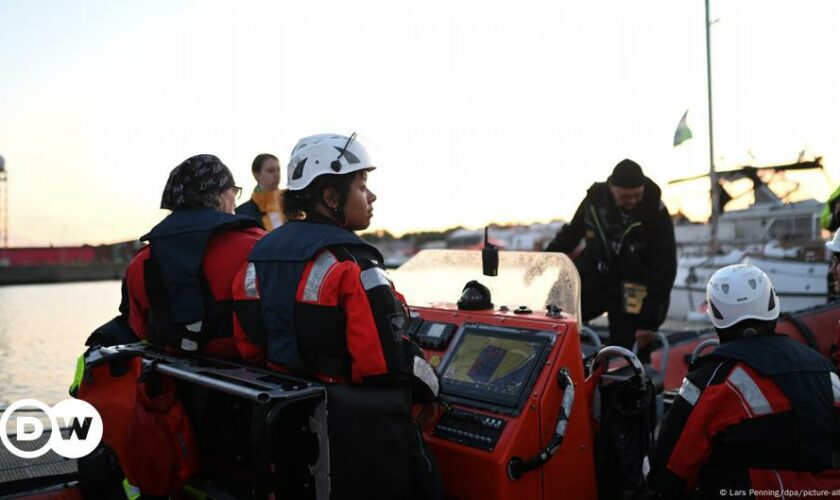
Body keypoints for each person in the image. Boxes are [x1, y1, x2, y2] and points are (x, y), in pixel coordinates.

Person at [232, 133, 442, 499]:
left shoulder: (257, 257)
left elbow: (248, 348)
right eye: (362, 186)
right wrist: (434, 386)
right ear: (331, 198)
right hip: (353, 439)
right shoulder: (352, 264)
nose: (371, 196)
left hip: (284, 435)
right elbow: (381, 365)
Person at [648, 264, 840, 499]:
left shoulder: (714, 379)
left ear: (715, 312)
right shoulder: (824, 368)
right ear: (772, 304)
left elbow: (671, 469)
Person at [121, 154, 265, 357]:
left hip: (173, 378)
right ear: (220, 196)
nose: (234, 199)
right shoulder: (257, 246)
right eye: (233, 191)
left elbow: (139, 329)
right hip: (249, 376)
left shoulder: (140, 262)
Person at [545, 159, 677, 353]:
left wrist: (648, 322)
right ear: (611, 188)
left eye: (636, 195)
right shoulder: (594, 201)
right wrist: (546, 259)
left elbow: (664, 270)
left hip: (633, 287)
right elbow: (571, 234)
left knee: (625, 346)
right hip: (596, 276)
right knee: (557, 310)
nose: (631, 201)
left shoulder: (656, 211)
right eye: (625, 196)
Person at [235, 153, 285, 230]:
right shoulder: (242, 214)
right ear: (256, 175)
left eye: (278, 170)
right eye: (270, 171)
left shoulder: (292, 204)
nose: (277, 174)